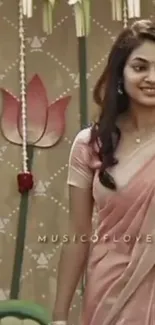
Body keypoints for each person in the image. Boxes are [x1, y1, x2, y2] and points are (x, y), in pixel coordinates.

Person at [53, 19, 155, 325]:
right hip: (108, 290)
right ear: (120, 74)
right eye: (140, 67)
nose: (152, 77)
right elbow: (77, 234)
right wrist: (59, 315)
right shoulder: (90, 145)